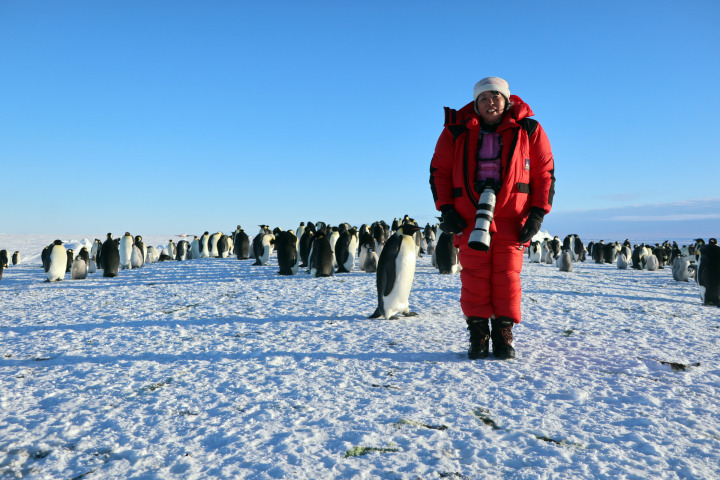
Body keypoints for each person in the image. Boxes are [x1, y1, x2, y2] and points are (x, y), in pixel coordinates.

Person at [429, 76, 555, 359]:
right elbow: (440, 172)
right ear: (475, 103)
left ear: (506, 100)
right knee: (474, 276)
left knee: (507, 276)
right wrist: (446, 209)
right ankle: (478, 333)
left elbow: (544, 173)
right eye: (483, 98)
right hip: (468, 216)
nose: (490, 103)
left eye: (496, 96)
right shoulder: (456, 131)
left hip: (513, 216)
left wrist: (537, 213)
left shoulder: (528, 129)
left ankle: (502, 332)